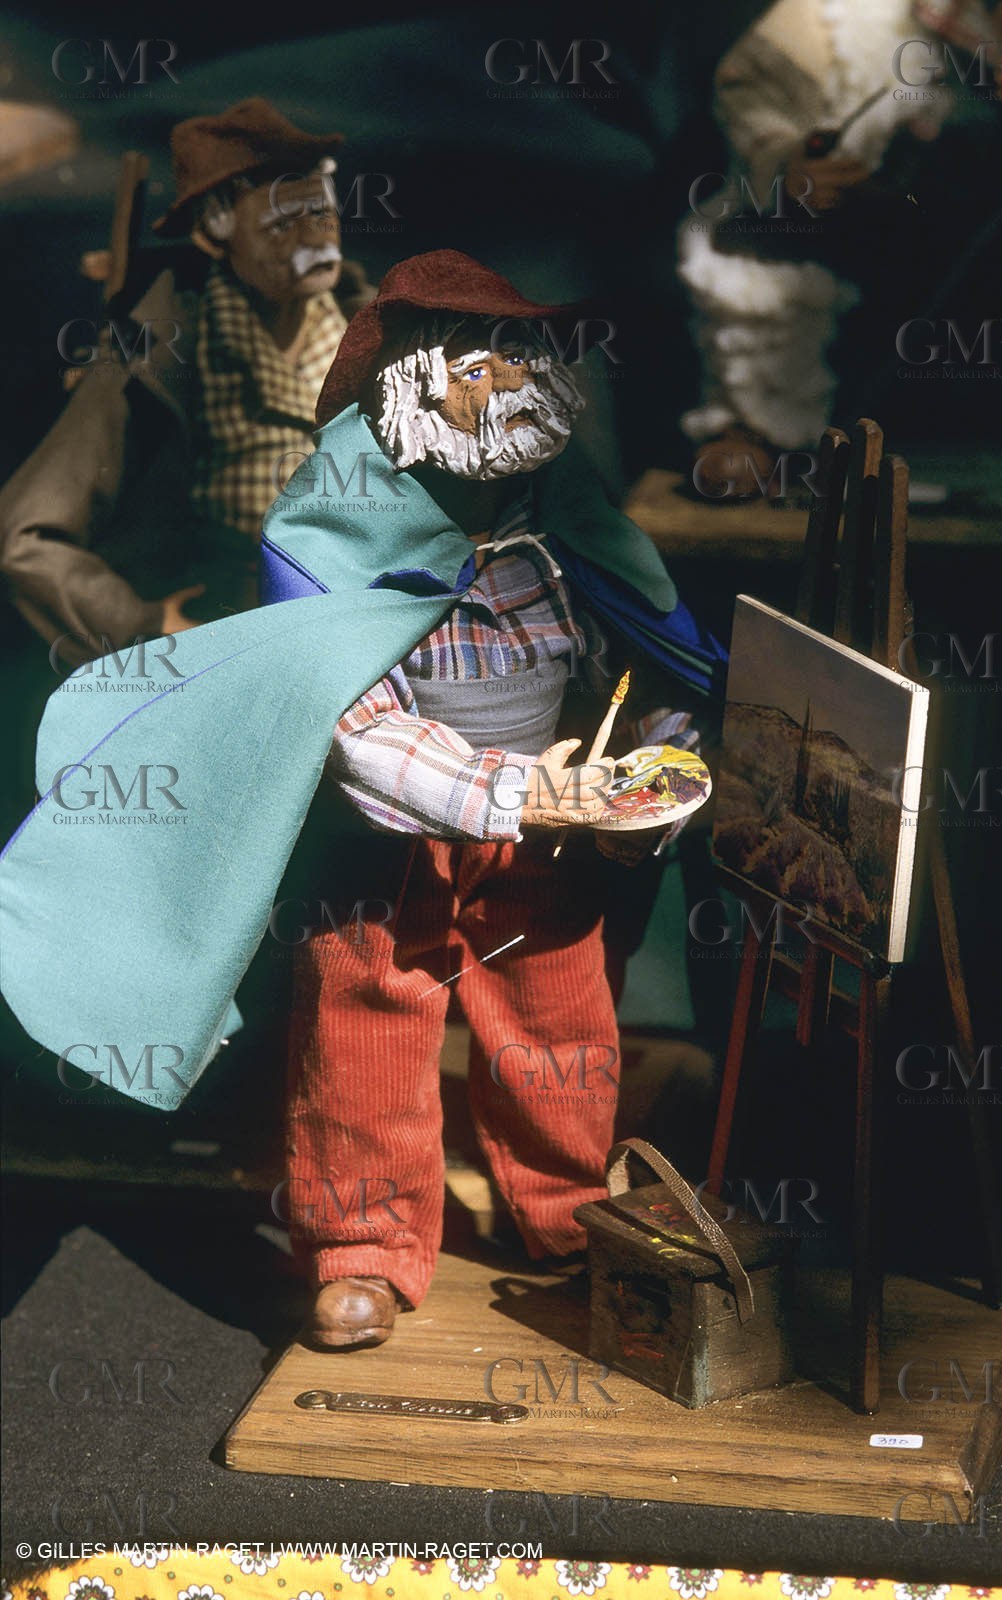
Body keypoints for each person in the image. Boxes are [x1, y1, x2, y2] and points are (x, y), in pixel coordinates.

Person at [0, 251, 725, 1350]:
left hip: (551, 828)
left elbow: (651, 653)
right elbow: (352, 722)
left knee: (559, 1018)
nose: (512, 381)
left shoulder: (566, 510)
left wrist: (652, 768)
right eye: (481, 363)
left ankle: (566, 1213)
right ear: (414, 384)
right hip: (386, 841)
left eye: (526, 356)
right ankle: (362, 1250)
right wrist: (515, 791)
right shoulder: (333, 523)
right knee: (363, 1037)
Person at [0, 98, 372, 665]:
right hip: (234, 638)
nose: (314, 240)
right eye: (280, 225)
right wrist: (141, 625)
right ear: (217, 233)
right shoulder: (159, 351)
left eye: (320, 214)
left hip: (363, 624)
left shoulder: (372, 332)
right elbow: (27, 538)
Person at [678, 0, 948, 496]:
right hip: (823, 220)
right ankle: (754, 424)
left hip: (961, 208)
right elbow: (750, 91)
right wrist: (788, 160)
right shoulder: (807, 22)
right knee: (761, 268)